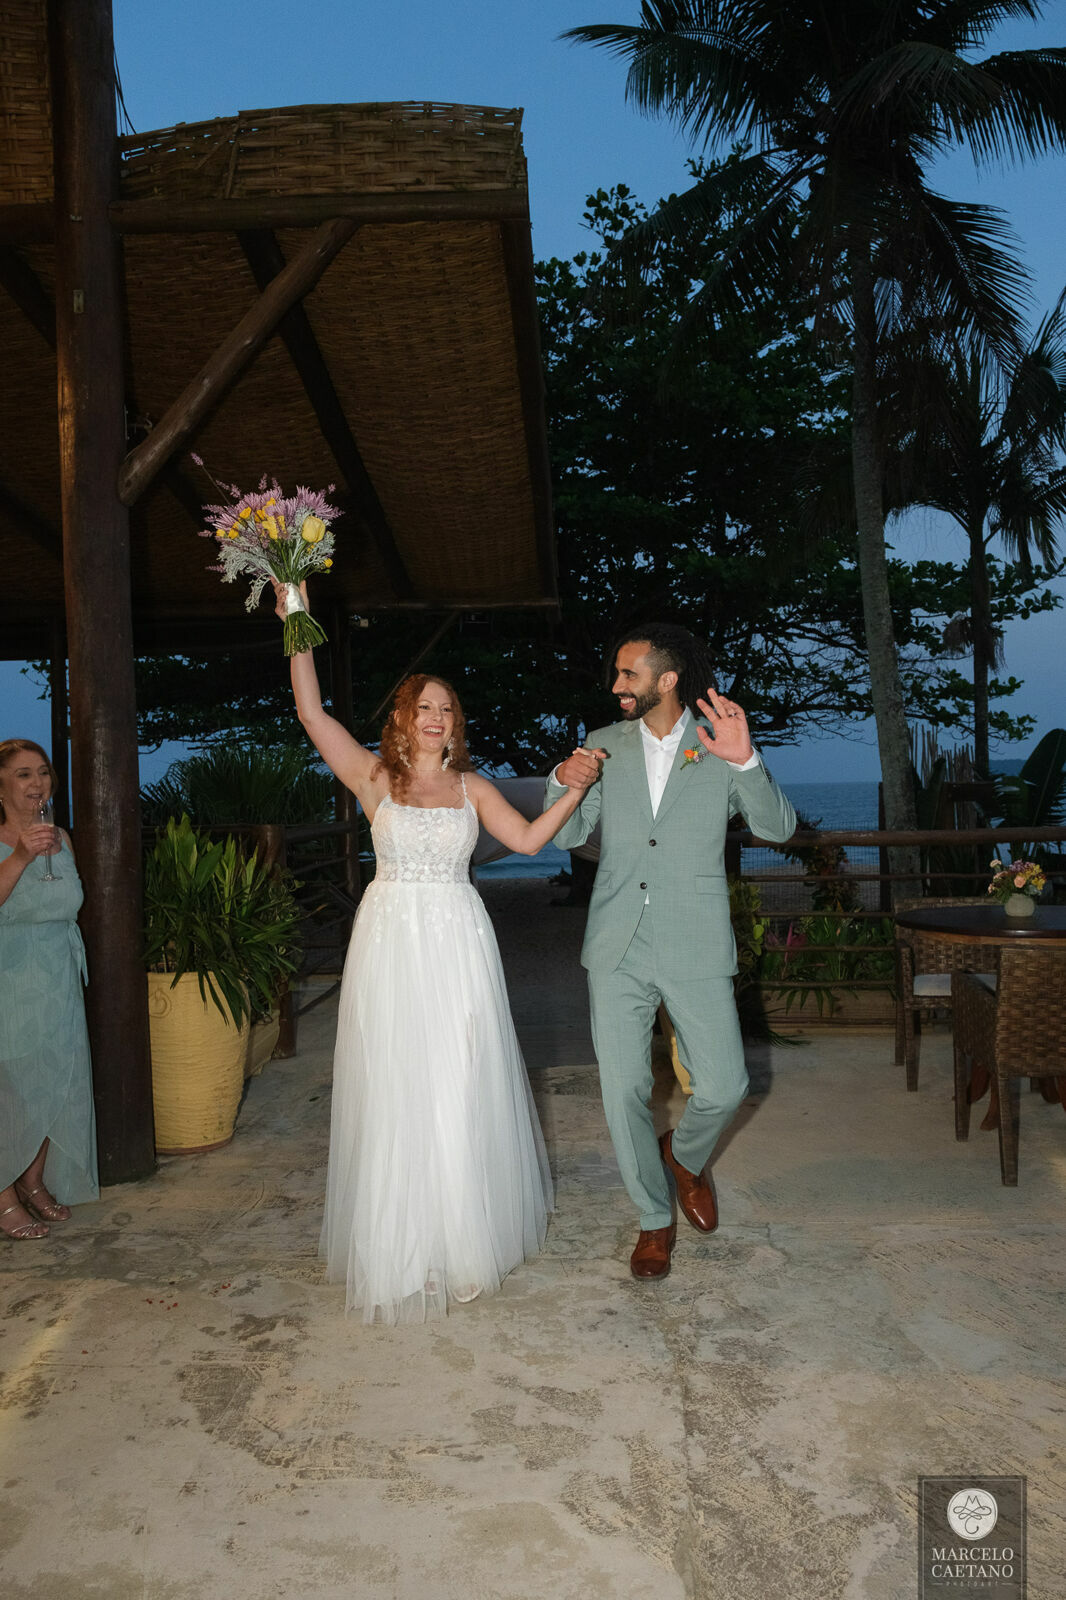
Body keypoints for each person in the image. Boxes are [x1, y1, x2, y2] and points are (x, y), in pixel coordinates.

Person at [275, 583, 599, 1323]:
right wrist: (296, 617)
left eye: (447, 708)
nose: (436, 716)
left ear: (455, 724)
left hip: (457, 938)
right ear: (402, 718)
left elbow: (528, 841)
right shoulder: (373, 778)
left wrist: (575, 790)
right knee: (397, 1084)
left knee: (456, 1080)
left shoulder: (471, 786)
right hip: (390, 940)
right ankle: (404, 1249)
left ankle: (460, 1244)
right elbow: (311, 713)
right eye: (424, 706)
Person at [545, 625, 796, 1280]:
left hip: (695, 938)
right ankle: (653, 1218)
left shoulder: (717, 742)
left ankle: (683, 1157)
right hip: (617, 941)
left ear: (667, 679)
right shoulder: (602, 743)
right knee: (623, 1088)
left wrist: (746, 760)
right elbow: (567, 833)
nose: (616, 685)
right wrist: (562, 780)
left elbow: (778, 829)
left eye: (628, 673)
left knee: (726, 1086)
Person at [0, 739, 99, 1242]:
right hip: (10, 974)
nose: (37, 782)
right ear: (0, 787)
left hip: (58, 973)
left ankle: (33, 1180)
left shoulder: (61, 836)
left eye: (42, 772)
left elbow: (71, 899)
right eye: (23, 774)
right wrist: (20, 855)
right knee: (11, 1087)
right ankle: (3, 1194)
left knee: (54, 1080)